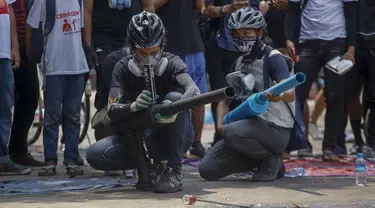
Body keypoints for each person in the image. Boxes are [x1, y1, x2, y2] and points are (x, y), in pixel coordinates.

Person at [86, 11, 199, 193]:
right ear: (132, 47)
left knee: (177, 99)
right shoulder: (121, 67)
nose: (148, 59)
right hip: (136, 134)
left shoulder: (172, 63)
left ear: (163, 45)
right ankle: (148, 166)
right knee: (97, 155)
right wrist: (133, 106)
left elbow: (192, 88)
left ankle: (174, 170)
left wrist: (174, 108)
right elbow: (113, 109)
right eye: (142, 52)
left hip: (171, 136)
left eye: (154, 52)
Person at [199, 8, 294, 182]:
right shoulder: (238, 63)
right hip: (247, 129)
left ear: (259, 32)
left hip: (275, 128)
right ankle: (266, 161)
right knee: (208, 169)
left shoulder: (273, 58)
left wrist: (277, 95)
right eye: (236, 33)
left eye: (246, 32)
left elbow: (290, 92)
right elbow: (224, 100)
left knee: (232, 132)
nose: (240, 37)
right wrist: (220, 124)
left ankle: (271, 159)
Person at [285, 0, 358, 161]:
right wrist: (290, 38)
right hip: (306, 43)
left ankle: (329, 147)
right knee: (297, 94)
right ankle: (296, 144)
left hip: (337, 42)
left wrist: (351, 48)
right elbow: (292, 11)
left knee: (334, 96)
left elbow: (352, 15)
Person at [27, 0, 89, 176]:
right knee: (52, 116)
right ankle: (50, 161)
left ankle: (71, 158)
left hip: (77, 65)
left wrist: (88, 53)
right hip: (54, 66)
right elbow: (31, 26)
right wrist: (33, 54)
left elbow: (83, 28)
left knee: (73, 115)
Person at [202, 0, 267, 145]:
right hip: (221, 46)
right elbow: (204, 10)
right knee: (221, 93)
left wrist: (263, 7)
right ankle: (220, 137)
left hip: (251, 47)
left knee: (249, 93)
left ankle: (246, 138)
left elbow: (269, 5)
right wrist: (226, 9)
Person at [155, 0, 207, 158]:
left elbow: (200, 8)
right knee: (171, 97)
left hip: (192, 43)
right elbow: (148, 5)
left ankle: (196, 143)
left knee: (199, 96)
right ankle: (173, 143)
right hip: (167, 46)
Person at [83, 0, 154, 114]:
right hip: (103, 41)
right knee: (107, 87)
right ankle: (105, 123)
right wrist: (88, 46)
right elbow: (87, 12)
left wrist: (151, 38)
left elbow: (148, 6)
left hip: (134, 38)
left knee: (137, 84)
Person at [8, 0, 45, 167]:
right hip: (8, 39)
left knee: (30, 96)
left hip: (23, 39)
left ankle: (18, 150)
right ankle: (13, 152)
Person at [0, 0, 31, 175]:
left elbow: (10, 11)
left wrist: (15, 48)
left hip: (3, 55)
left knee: (5, 108)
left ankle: (3, 160)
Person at [347, 0, 375, 159]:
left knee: (373, 97)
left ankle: (371, 142)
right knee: (352, 93)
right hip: (352, 44)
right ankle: (358, 140)